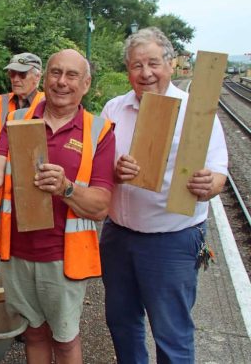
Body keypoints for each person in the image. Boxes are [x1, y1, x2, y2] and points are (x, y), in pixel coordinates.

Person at [0, 49, 116, 363]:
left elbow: (101, 206)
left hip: (63, 258)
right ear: (45, 77)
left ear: (86, 84)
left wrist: (66, 188)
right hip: (17, 253)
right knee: (34, 334)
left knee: (65, 341)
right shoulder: (16, 119)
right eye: (56, 72)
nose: (61, 82)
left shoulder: (99, 132)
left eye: (71, 75)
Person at [100, 27, 228, 363]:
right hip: (118, 237)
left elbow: (218, 172)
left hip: (171, 239)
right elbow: (95, 166)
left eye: (153, 63)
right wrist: (112, 172)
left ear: (170, 64)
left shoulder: (196, 111)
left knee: (171, 333)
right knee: (121, 324)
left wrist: (208, 185)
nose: (145, 73)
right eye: (136, 65)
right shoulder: (113, 109)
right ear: (127, 70)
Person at [0, 52, 45, 273]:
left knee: (24, 258)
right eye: (12, 73)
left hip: (31, 194)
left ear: (37, 76)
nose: (15, 78)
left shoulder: (49, 104)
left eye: (22, 74)